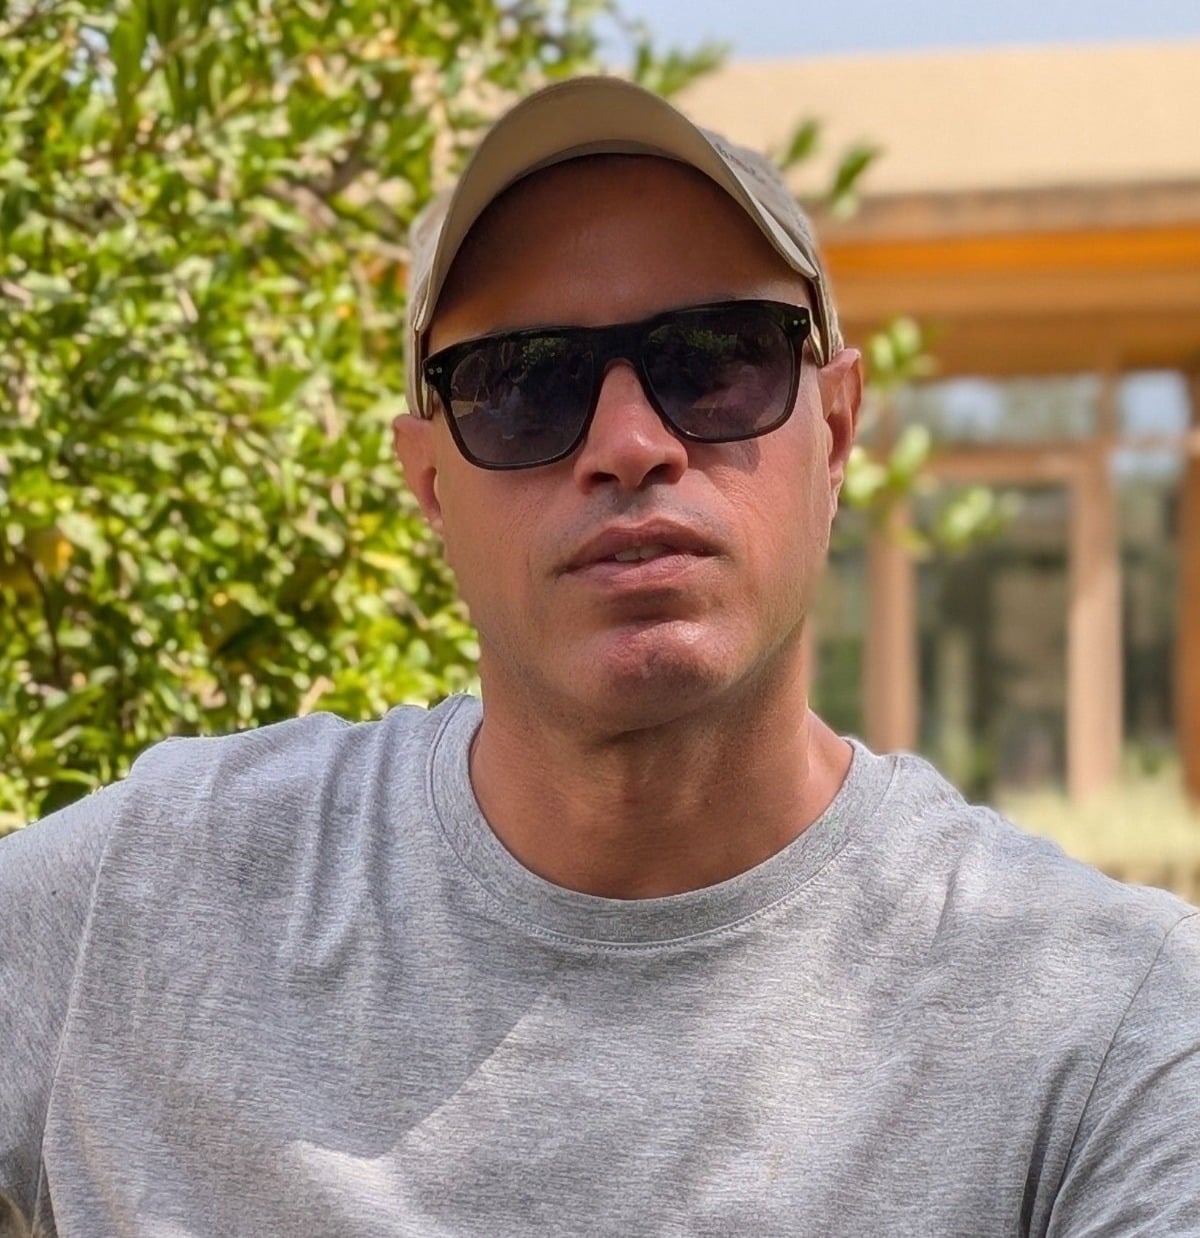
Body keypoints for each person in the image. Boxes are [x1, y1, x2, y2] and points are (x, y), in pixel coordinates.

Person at [1, 75, 1197, 1238]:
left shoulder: (1106, 1025)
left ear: (835, 430)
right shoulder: (149, 897)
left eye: (715, 361)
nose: (630, 443)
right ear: (430, 482)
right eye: (526, 384)